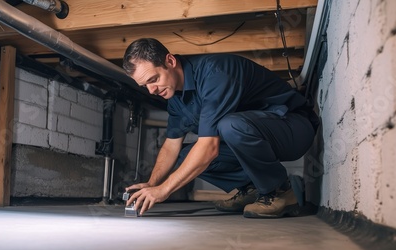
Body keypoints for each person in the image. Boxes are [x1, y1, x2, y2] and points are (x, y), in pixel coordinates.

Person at [122, 38, 318, 218]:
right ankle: (252, 188)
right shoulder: (175, 100)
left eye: (153, 80)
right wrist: (152, 183)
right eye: (144, 86)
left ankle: (280, 191)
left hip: (293, 128)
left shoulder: (215, 72)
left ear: (170, 62)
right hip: (254, 136)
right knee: (184, 156)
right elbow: (171, 146)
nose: (151, 91)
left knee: (229, 126)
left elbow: (209, 148)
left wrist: (163, 190)